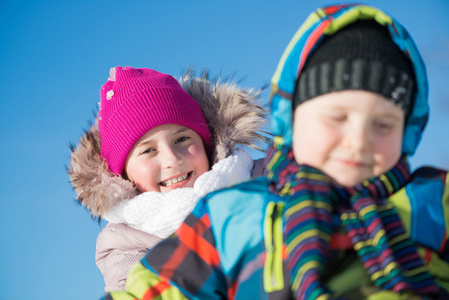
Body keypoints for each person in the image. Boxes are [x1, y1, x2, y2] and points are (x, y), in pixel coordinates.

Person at [103, 4, 449, 300]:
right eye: (337, 118)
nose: (357, 140)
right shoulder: (233, 216)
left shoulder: (431, 202)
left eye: (383, 125)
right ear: (293, 121)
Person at [67, 66, 269, 292]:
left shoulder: (266, 177)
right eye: (148, 151)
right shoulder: (124, 246)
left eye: (182, 138)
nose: (172, 159)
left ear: (206, 141)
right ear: (123, 175)